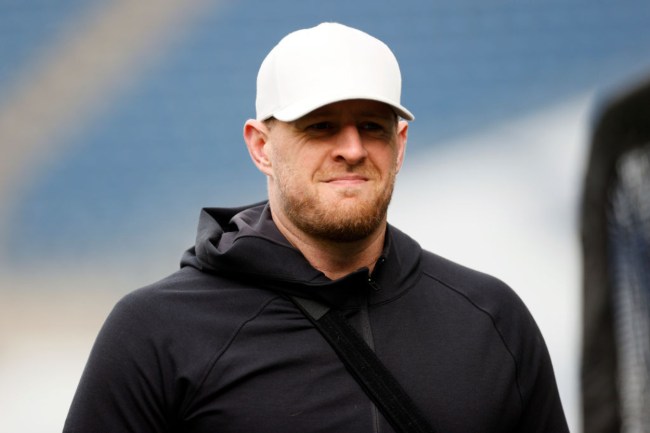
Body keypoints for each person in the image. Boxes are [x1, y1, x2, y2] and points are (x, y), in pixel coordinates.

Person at [63, 22, 569, 433]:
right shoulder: (158, 331)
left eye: (371, 126)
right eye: (320, 126)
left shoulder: (490, 319)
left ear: (400, 145)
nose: (352, 148)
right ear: (261, 147)